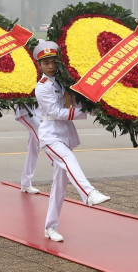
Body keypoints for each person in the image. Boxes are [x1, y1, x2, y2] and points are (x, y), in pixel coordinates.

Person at [33, 40, 110, 242]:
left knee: (59, 185)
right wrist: (84, 112)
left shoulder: (63, 82)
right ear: (39, 65)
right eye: (46, 62)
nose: (50, 66)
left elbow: (75, 101)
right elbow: (56, 112)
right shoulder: (42, 87)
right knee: (69, 161)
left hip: (65, 135)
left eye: (53, 61)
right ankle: (89, 193)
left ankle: (50, 227)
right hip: (50, 136)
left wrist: (97, 107)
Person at [15, 103, 41, 194]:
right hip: (26, 111)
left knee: (34, 149)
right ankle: (65, 170)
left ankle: (26, 183)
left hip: (38, 113)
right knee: (45, 140)